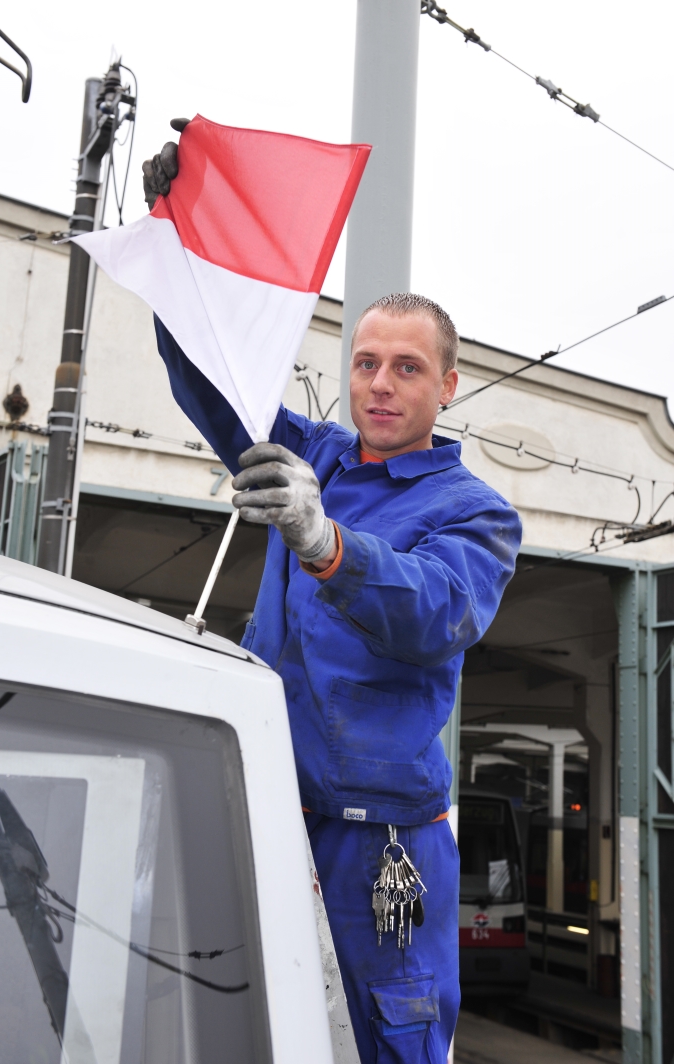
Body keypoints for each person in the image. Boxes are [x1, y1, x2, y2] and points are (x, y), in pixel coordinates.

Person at [142, 131, 522, 1064]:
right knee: (238, 1025)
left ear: (448, 385)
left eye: (407, 368)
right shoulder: (309, 452)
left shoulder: (478, 515)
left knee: (388, 1034)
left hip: (381, 846)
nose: (380, 385)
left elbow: (436, 613)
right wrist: (177, 249)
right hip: (263, 807)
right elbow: (214, 380)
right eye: (366, 364)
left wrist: (327, 544)